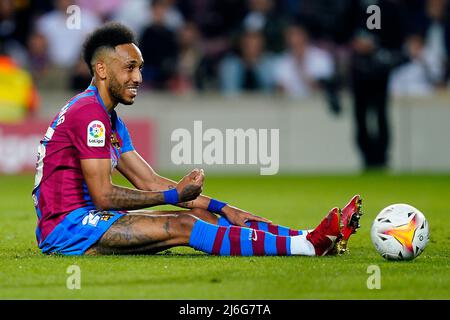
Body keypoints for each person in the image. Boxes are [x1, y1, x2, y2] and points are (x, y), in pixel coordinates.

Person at [32, 22, 362, 257]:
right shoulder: (88, 114)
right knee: (186, 225)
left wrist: (226, 208)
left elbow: (147, 181)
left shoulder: (109, 118)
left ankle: (310, 236)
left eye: (141, 68)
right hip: (68, 227)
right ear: (102, 70)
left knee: (207, 218)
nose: (138, 78)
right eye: (130, 68)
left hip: (89, 220)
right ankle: (307, 247)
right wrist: (174, 195)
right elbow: (103, 196)